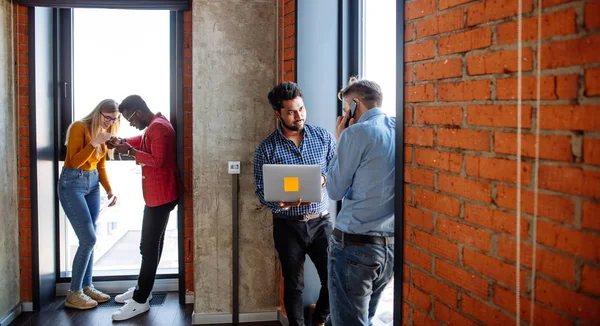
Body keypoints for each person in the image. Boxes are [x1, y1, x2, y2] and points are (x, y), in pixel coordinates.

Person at [253, 82, 336, 326]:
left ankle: (319, 320)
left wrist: (322, 178)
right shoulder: (266, 149)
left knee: (333, 278)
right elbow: (260, 190)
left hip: (321, 222)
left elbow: (338, 174)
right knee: (294, 284)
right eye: (291, 111)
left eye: (301, 108)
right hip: (287, 225)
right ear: (278, 114)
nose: (298, 115)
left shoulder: (323, 138)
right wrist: (278, 203)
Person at [325, 78, 395, 326]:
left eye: (345, 109)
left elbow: (334, 190)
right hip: (388, 249)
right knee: (355, 318)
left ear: (355, 105)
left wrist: (339, 139)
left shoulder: (354, 133)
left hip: (353, 245)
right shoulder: (400, 128)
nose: (344, 115)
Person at [109, 95, 183, 321]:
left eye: (129, 119)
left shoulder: (158, 128)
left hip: (161, 196)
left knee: (148, 247)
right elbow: (142, 140)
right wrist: (122, 141)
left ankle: (140, 300)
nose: (130, 123)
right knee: (151, 245)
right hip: (160, 195)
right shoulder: (155, 125)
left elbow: (157, 160)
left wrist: (129, 152)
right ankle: (144, 289)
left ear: (137, 113)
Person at [58, 99, 120, 310]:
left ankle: (87, 286)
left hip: (92, 184)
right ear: (98, 113)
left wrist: (109, 190)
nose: (110, 122)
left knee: (90, 236)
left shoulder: (103, 135)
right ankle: (73, 293)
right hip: (72, 183)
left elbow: (100, 167)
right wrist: (93, 142)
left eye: (114, 119)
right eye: (108, 117)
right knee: (88, 239)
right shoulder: (79, 128)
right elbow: (74, 161)